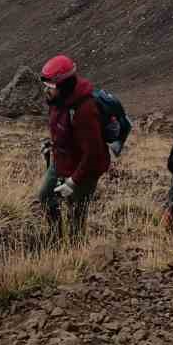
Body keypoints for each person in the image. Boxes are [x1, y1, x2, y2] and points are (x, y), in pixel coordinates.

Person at [39, 54, 111, 238]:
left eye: (50, 87)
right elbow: (63, 129)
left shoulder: (85, 110)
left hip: (84, 170)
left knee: (76, 214)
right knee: (45, 196)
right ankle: (56, 236)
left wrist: (73, 181)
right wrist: (52, 144)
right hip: (62, 161)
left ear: (64, 85)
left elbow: (93, 153)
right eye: (45, 86)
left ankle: (75, 251)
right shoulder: (57, 101)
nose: (46, 90)